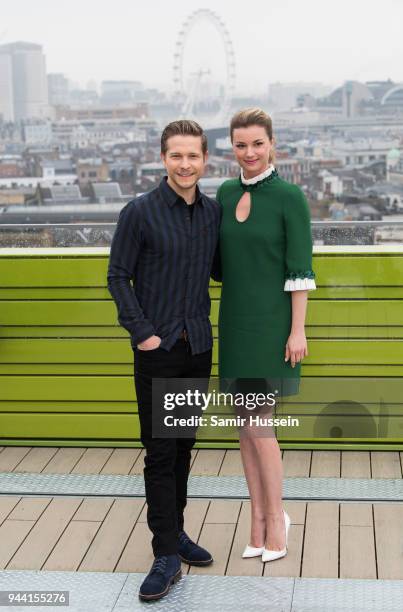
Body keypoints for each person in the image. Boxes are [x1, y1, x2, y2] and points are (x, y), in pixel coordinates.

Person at [107, 120, 220, 602]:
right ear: (163, 158)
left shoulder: (214, 214)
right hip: (159, 351)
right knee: (159, 452)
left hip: (197, 347)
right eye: (176, 155)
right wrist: (144, 335)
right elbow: (117, 276)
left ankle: (175, 536)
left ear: (205, 159)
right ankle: (164, 554)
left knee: (183, 447)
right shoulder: (140, 212)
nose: (185, 164)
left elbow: (223, 269)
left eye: (193, 155)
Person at [213, 108, 316, 563]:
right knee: (244, 428)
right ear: (231, 147)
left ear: (272, 143)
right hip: (233, 321)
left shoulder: (290, 197)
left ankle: (277, 518)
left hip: (272, 326)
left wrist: (298, 331)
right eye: (240, 144)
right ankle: (255, 519)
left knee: (261, 426)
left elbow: (300, 270)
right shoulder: (224, 192)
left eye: (257, 143)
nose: (249, 152)